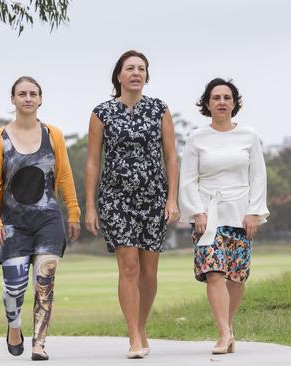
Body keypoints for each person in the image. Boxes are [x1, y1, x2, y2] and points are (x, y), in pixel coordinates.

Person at [84, 50, 180, 359]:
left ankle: (141, 326)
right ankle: (134, 337)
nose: (136, 73)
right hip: (116, 199)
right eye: (130, 68)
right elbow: (93, 162)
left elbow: (171, 157)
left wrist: (172, 199)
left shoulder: (160, 110)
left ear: (146, 76)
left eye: (141, 68)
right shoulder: (102, 112)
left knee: (149, 273)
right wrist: (90, 206)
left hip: (153, 198)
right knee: (129, 267)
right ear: (119, 76)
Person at [0, 76, 81, 361]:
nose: (28, 98)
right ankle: (14, 326)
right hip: (12, 223)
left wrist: (73, 211)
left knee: (45, 280)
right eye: (22, 94)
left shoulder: (53, 135)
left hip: (48, 220)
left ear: (41, 99)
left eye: (33, 93)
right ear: (12, 99)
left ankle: (39, 342)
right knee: (14, 287)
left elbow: (63, 175)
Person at [178, 78, 269, 354]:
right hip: (208, 214)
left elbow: (258, 176)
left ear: (234, 103)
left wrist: (254, 212)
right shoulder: (196, 138)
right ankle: (222, 333)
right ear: (207, 103)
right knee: (214, 271)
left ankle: (229, 328)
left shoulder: (249, 137)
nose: (221, 102)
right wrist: (197, 212)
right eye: (216, 97)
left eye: (227, 97)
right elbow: (187, 179)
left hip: (240, 214)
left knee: (236, 276)